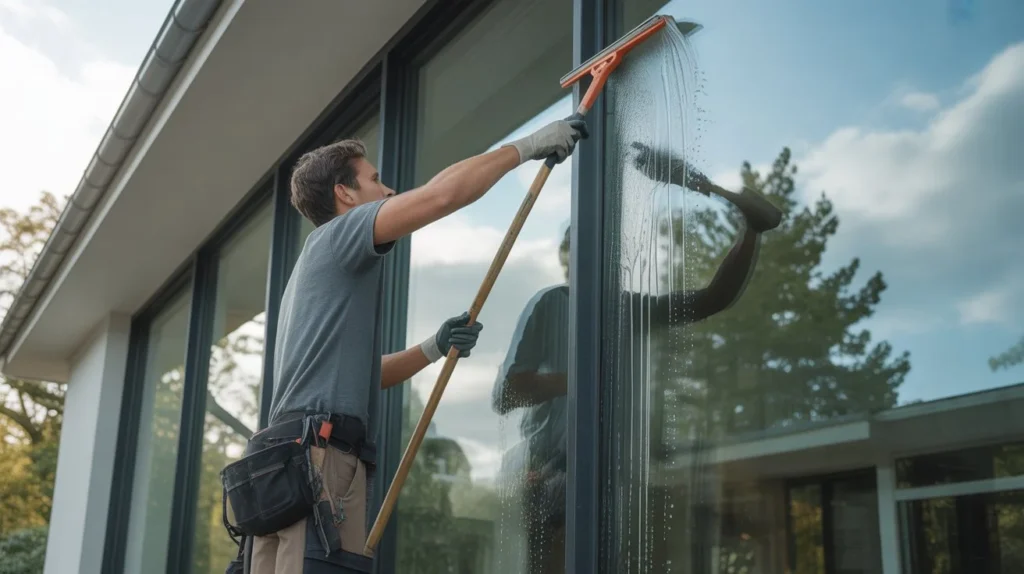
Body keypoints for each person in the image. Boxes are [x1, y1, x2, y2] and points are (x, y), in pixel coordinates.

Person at [236, 115, 588, 574]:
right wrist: (531, 144)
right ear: (345, 194)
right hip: (319, 460)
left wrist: (433, 347)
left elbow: (365, 372)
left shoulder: (317, 271)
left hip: (289, 463)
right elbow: (442, 194)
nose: (388, 192)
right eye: (375, 180)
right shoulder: (339, 238)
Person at [490, 142, 782, 574]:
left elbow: (712, 300)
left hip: (613, 475)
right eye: (576, 254)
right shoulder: (551, 304)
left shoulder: (628, 309)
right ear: (565, 260)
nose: (587, 263)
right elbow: (508, 393)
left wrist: (750, 229)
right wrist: (585, 379)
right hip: (548, 476)